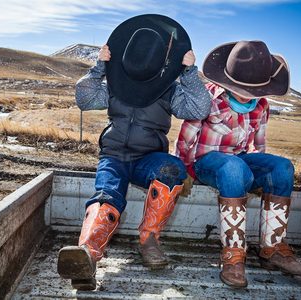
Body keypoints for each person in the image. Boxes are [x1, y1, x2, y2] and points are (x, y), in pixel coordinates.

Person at [56, 14, 211, 290]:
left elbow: (198, 109)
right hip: (114, 155)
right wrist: (99, 68)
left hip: (148, 159)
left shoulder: (167, 90)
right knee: (107, 195)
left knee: (172, 169)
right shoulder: (117, 83)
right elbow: (85, 98)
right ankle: (87, 257)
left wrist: (189, 73)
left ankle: (149, 240)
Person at [176, 40, 301, 288]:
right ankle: (233, 253)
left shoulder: (261, 105)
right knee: (233, 167)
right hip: (205, 162)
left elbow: (258, 146)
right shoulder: (208, 96)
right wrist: (183, 170)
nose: (247, 94)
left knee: (281, 167)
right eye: (241, 87)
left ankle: (272, 248)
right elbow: (187, 136)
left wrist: (264, 177)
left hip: (238, 161)